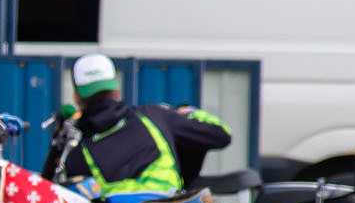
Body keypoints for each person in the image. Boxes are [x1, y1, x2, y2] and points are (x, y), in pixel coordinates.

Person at [42, 53, 231, 195]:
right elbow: (221, 134)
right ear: (116, 90)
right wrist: (186, 111)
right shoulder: (154, 116)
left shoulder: (78, 155)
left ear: (76, 97)